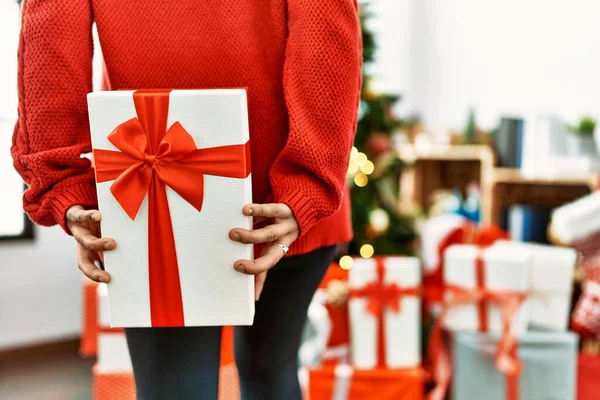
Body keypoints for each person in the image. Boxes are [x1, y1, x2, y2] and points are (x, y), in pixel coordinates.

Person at [12, 1, 361, 399]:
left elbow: (50, 46)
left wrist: (62, 183)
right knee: (269, 375)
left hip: (157, 195)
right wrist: (310, 184)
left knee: (186, 387)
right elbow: (327, 36)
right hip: (207, 199)